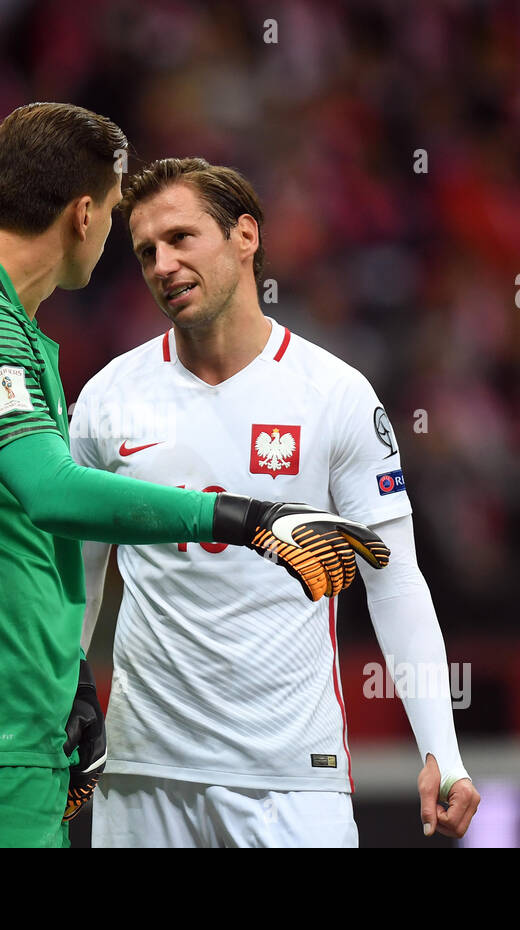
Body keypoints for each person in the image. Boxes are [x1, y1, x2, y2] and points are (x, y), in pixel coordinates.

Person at [0, 106, 388, 848]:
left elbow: (18, 530)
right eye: (116, 215)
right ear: (83, 213)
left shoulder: (12, 329)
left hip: (13, 716)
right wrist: (244, 519)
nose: (124, 242)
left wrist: (67, 675)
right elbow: (55, 494)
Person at [70, 157, 480, 847]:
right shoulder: (109, 399)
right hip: (145, 778)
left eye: (180, 238)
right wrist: (61, 700)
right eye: (146, 251)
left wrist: (441, 745)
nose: (162, 264)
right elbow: (75, 577)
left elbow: (396, 580)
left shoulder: (334, 395)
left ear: (245, 236)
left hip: (291, 777)